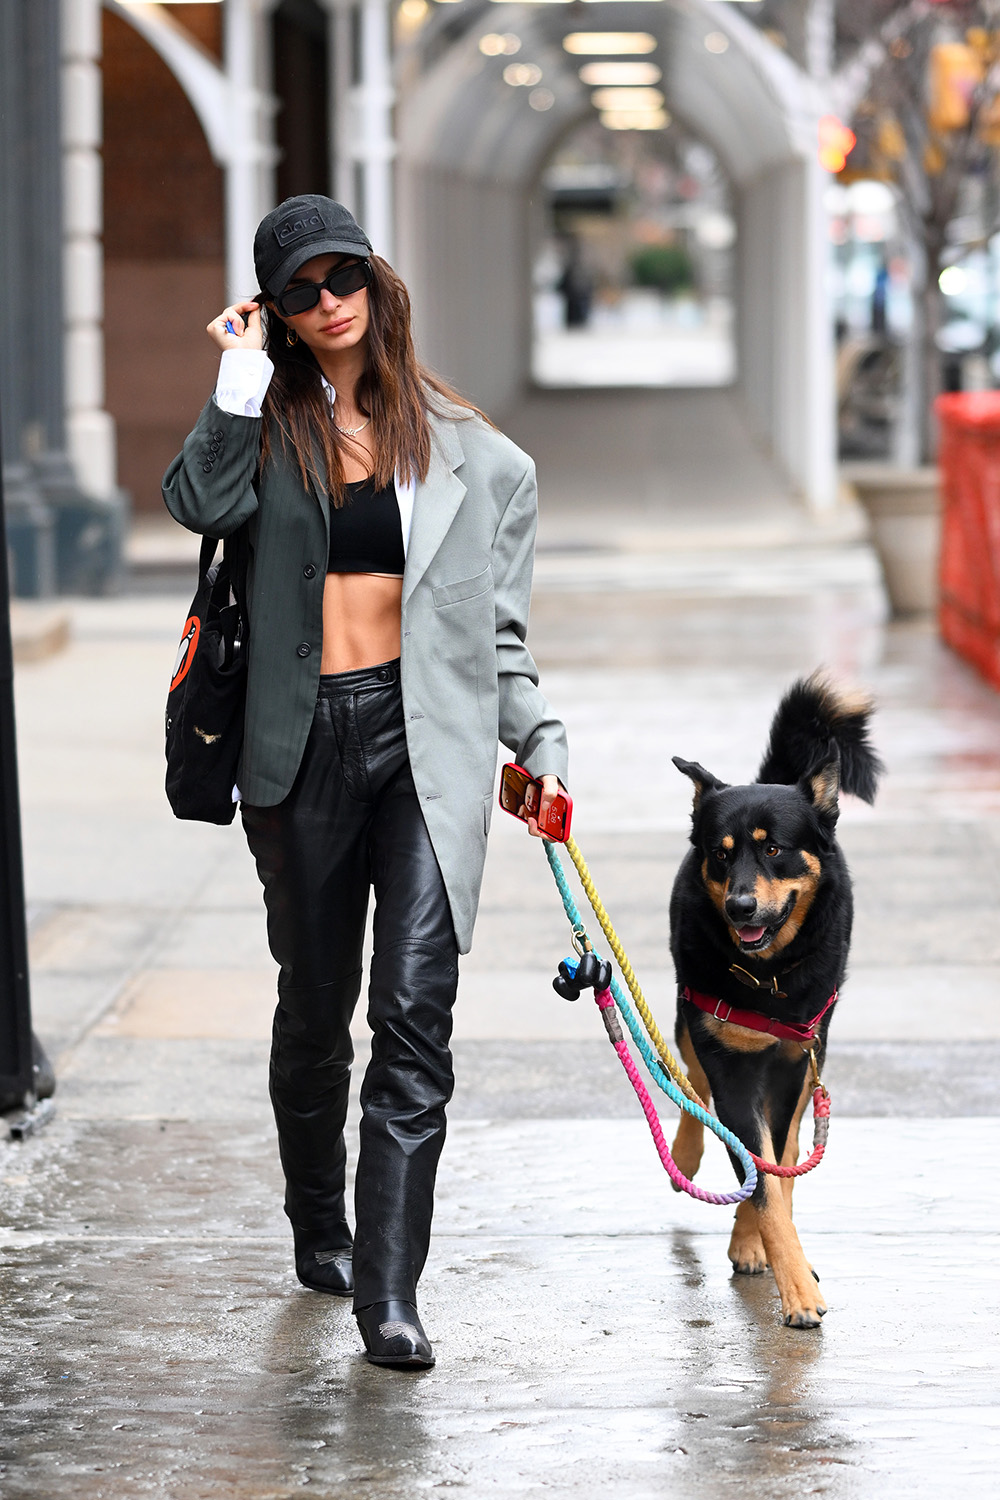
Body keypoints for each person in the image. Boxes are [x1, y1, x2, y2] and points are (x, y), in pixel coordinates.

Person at [162, 195, 569, 1370]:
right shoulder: (269, 424)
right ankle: (317, 1221)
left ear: (376, 284)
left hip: (424, 751)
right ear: (277, 311)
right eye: (299, 288)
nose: (326, 300)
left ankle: (390, 1295)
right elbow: (198, 504)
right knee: (315, 1003)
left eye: (342, 276)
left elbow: (498, 638)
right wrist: (239, 376)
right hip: (298, 750)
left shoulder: (481, 460)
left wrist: (535, 738)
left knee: (412, 1018)